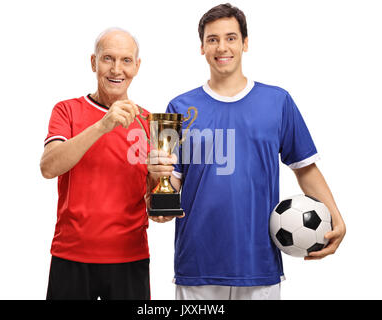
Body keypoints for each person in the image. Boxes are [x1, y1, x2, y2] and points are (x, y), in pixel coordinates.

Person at [147, 3, 346, 300]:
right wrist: (157, 191)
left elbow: (304, 168)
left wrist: (336, 217)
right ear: (202, 47)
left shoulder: (278, 102)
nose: (222, 47)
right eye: (212, 39)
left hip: (258, 264)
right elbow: (169, 185)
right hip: (198, 265)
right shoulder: (178, 108)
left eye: (230, 37)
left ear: (245, 43)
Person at [40, 27, 151, 300]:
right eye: (107, 58)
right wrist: (103, 125)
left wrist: (165, 208)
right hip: (72, 256)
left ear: (137, 67)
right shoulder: (67, 110)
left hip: (130, 257)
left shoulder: (148, 122)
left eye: (126, 60)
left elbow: (154, 196)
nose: (116, 69)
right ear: (93, 62)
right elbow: (49, 167)